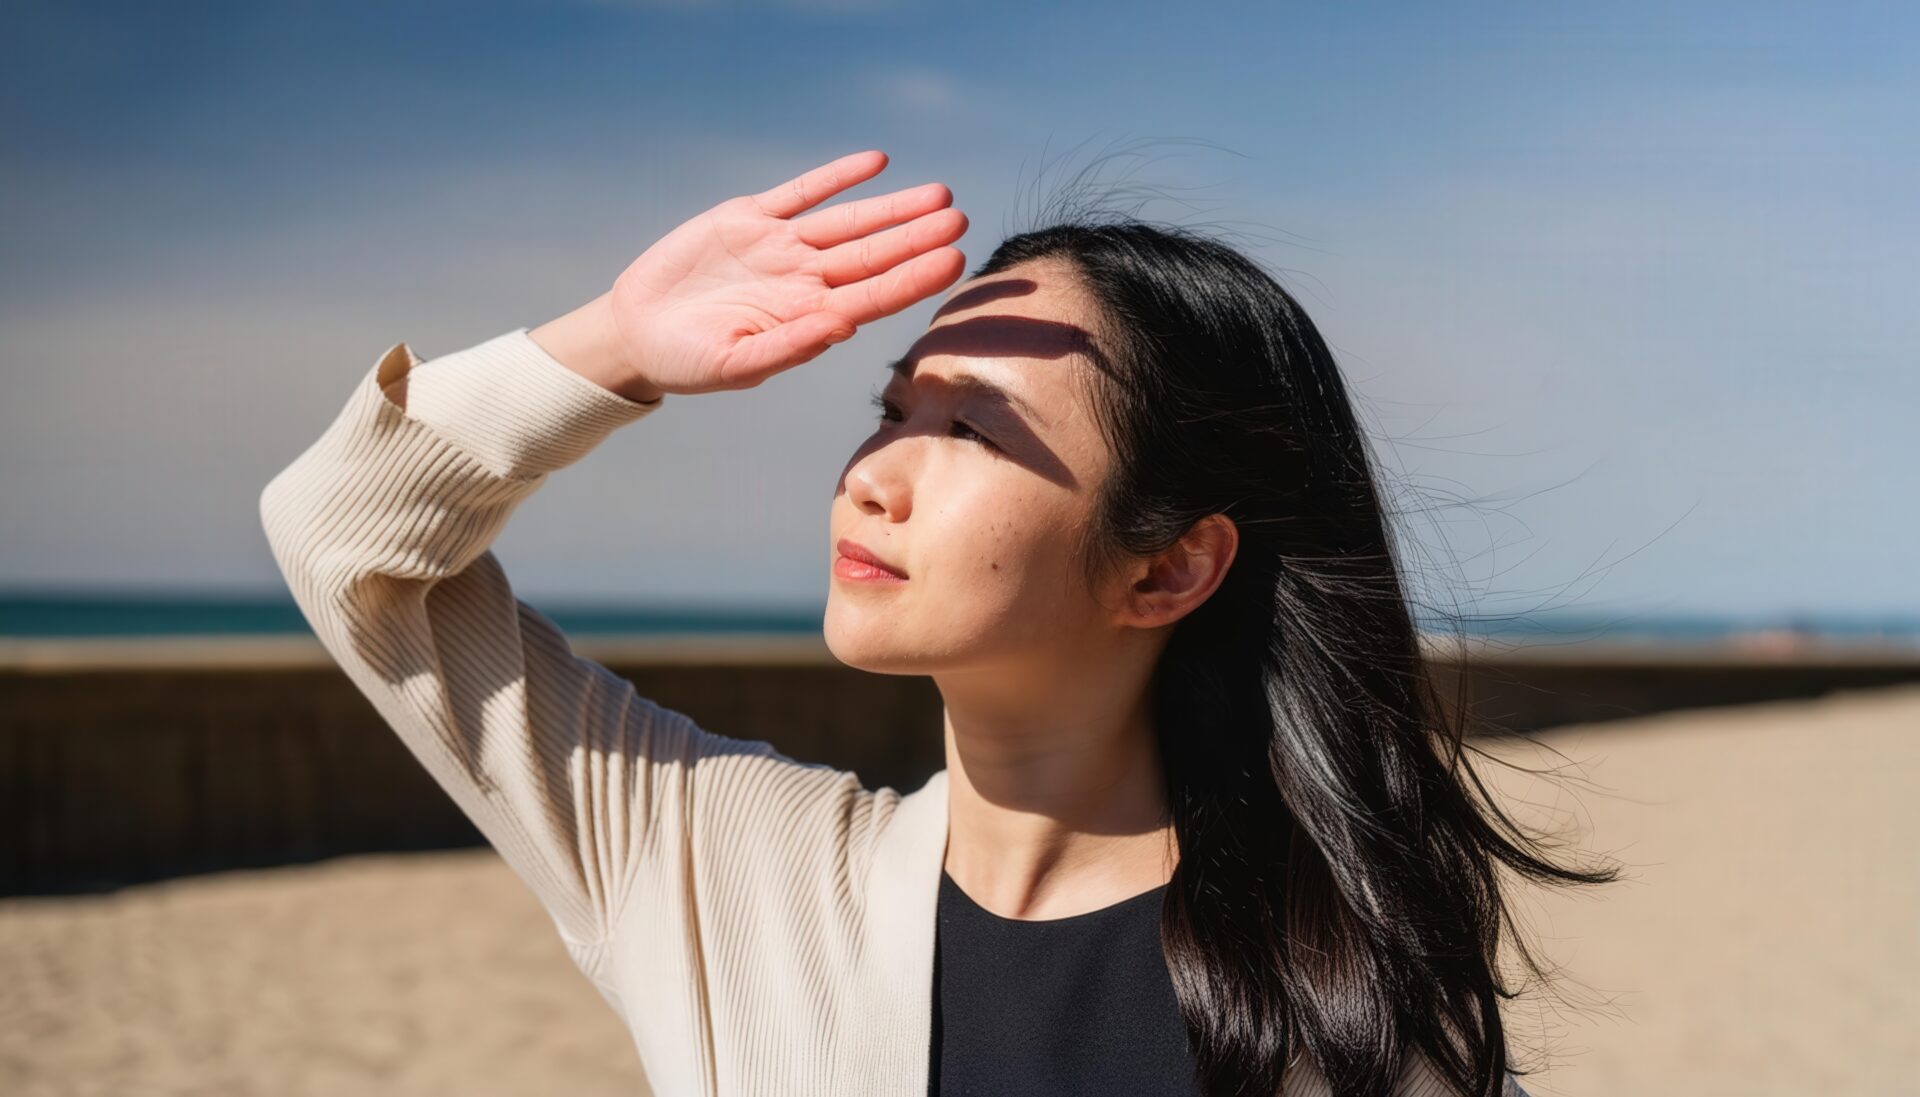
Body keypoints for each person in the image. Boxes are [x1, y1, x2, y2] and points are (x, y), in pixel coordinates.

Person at [261, 149, 1608, 1096]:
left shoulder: (1340, 1006)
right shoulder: (724, 860)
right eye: (890, 412)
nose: (875, 474)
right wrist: (611, 345)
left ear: (1171, 569)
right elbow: (348, 545)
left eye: (968, 429)